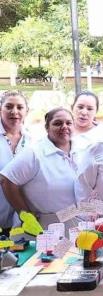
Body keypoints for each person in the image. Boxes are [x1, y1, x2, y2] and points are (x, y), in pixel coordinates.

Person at [0, 107, 78, 228]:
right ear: (47, 127)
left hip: (74, 222)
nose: (64, 127)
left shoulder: (82, 150)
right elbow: (6, 179)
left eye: (69, 123)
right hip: (44, 226)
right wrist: (26, 215)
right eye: (57, 123)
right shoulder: (35, 153)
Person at [0, 91, 31, 235]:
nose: (15, 112)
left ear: (27, 111)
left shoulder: (32, 140)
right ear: (1, 109)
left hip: (21, 221)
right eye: (9, 107)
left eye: (20, 107)